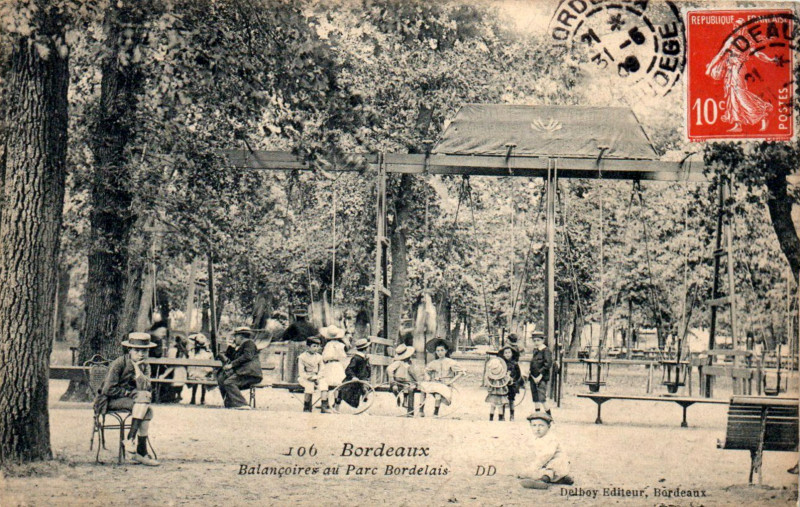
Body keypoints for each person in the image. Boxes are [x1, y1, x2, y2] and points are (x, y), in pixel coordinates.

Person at [94, 332, 160, 466]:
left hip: (135, 400)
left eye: (144, 351)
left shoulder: (145, 366)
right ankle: (136, 446)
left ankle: (137, 449)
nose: (141, 354)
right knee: (144, 401)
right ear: (129, 350)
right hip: (109, 400)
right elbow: (108, 389)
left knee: (147, 409)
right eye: (137, 350)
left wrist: (137, 370)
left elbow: (146, 387)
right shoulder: (119, 363)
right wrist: (129, 393)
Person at [518, 412, 573, 489]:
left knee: (549, 470)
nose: (538, 429)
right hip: (547, 463)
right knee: (531, 470)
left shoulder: (550, 439)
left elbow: (546, 455)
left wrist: (535, 466)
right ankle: (562, 479)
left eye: (541, 425)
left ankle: (543, 482)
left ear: (549, 426)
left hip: (557, 462)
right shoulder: (538, 438)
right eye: (534, 425)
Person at [217, 327, 262, 410]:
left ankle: (241, 404)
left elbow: (247, 356)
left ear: (241, 337)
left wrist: (231, 365)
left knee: (229, 382)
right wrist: (231, 347)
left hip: (249, 373)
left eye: (235, 337)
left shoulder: (249, 343)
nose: (234, 339)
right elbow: (231, 357)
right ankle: (230, 404)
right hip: (244, 373)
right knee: (222, 380)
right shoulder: (241, 346)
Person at [419, 338, 465, 417]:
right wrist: (427, 376)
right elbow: (426, 370)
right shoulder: (434, 363)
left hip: (445, 384)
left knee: (438, 393)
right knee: (423, 387)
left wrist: (450, 382)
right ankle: (421, 410)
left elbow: (461, 372)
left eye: (442, 350)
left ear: (446, 351)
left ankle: (435, 412)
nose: (440, 353)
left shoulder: (451, 362)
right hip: (436, 383)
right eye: (438, 351)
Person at [318, 325, 349, 413]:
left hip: (329, 365)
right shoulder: (341, 345)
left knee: (325, 384)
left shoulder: (328, 345)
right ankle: (336, 405)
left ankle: (324, 405)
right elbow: (343, 356)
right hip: (338, 365)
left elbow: (325, 357)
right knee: (338, 385)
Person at [338, 337, 372, 410]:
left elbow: (367, 369)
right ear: (365, 349)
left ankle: (363, 408)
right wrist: (353, 377)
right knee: (345, 393)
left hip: (363, 379)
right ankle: (337, 405)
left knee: (365, 392)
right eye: (368, 347)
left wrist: (368, 376)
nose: (369, 349)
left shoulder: (365, 358)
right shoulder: (357, 358)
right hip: (356, 380)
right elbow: (349, 369)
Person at [387, 344, 420, 417]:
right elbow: (389, 369)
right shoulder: (398, 362)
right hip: (397, 382)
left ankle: (410, 411)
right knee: (395, 388)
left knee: (411, 389)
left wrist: (417, 381)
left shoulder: (410, 363)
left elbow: (413, 373)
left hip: (408, 382)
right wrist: (392, 380)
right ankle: (398, 398)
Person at [297, 336, 324, 412]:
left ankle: (324, 406)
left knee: (324, 384)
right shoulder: (302, 357)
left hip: (316, 376)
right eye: (314, 346)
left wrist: (318, 377)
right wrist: (309, 377)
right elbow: (301, 372)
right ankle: (307, 406)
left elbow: (322, 369)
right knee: (309, 386)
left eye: (317, 346)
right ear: (308, 347)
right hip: (305, 377)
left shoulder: (319, 357)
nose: (316, 348)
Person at [187, 333, 214, 405]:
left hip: (194, 373)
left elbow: (190, 362)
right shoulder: (209, 353)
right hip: (204, 373)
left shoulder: (192, 352)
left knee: (196, 376)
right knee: (203, 377)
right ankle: (202, 398)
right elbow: (211, 365)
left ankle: (193, 398)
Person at [529, 333, 552, 417]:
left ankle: (549, 417)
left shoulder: (546, 350)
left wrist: (540, 376)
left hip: (541, 378)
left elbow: (547, 364)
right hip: (533, 377)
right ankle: (537, 416)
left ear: (543, 340)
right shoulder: (535, 350)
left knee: (542, 398)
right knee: (535, 398)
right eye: (534, 340)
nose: (536, 342)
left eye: (538, 340)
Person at [499, 344, 523, 421]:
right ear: (503, 354)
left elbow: (518, 374)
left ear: (512, 353)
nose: (507, 354)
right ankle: (502, 415)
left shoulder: (515, 364)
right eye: (505, 353)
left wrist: (514, 380)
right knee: (502, 399)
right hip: (503, 384)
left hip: (512, 384)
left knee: (511, 399)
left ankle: (512, 415)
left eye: (509, 352)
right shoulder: (501, 364)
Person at [484, 356, 510, 421]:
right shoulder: (493, 379)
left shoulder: (498, 378)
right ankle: (494, 417)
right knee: (495, 405)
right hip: (497, 393)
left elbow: (507, 381)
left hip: (496, 393)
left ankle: (496, 417)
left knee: (497, 405)